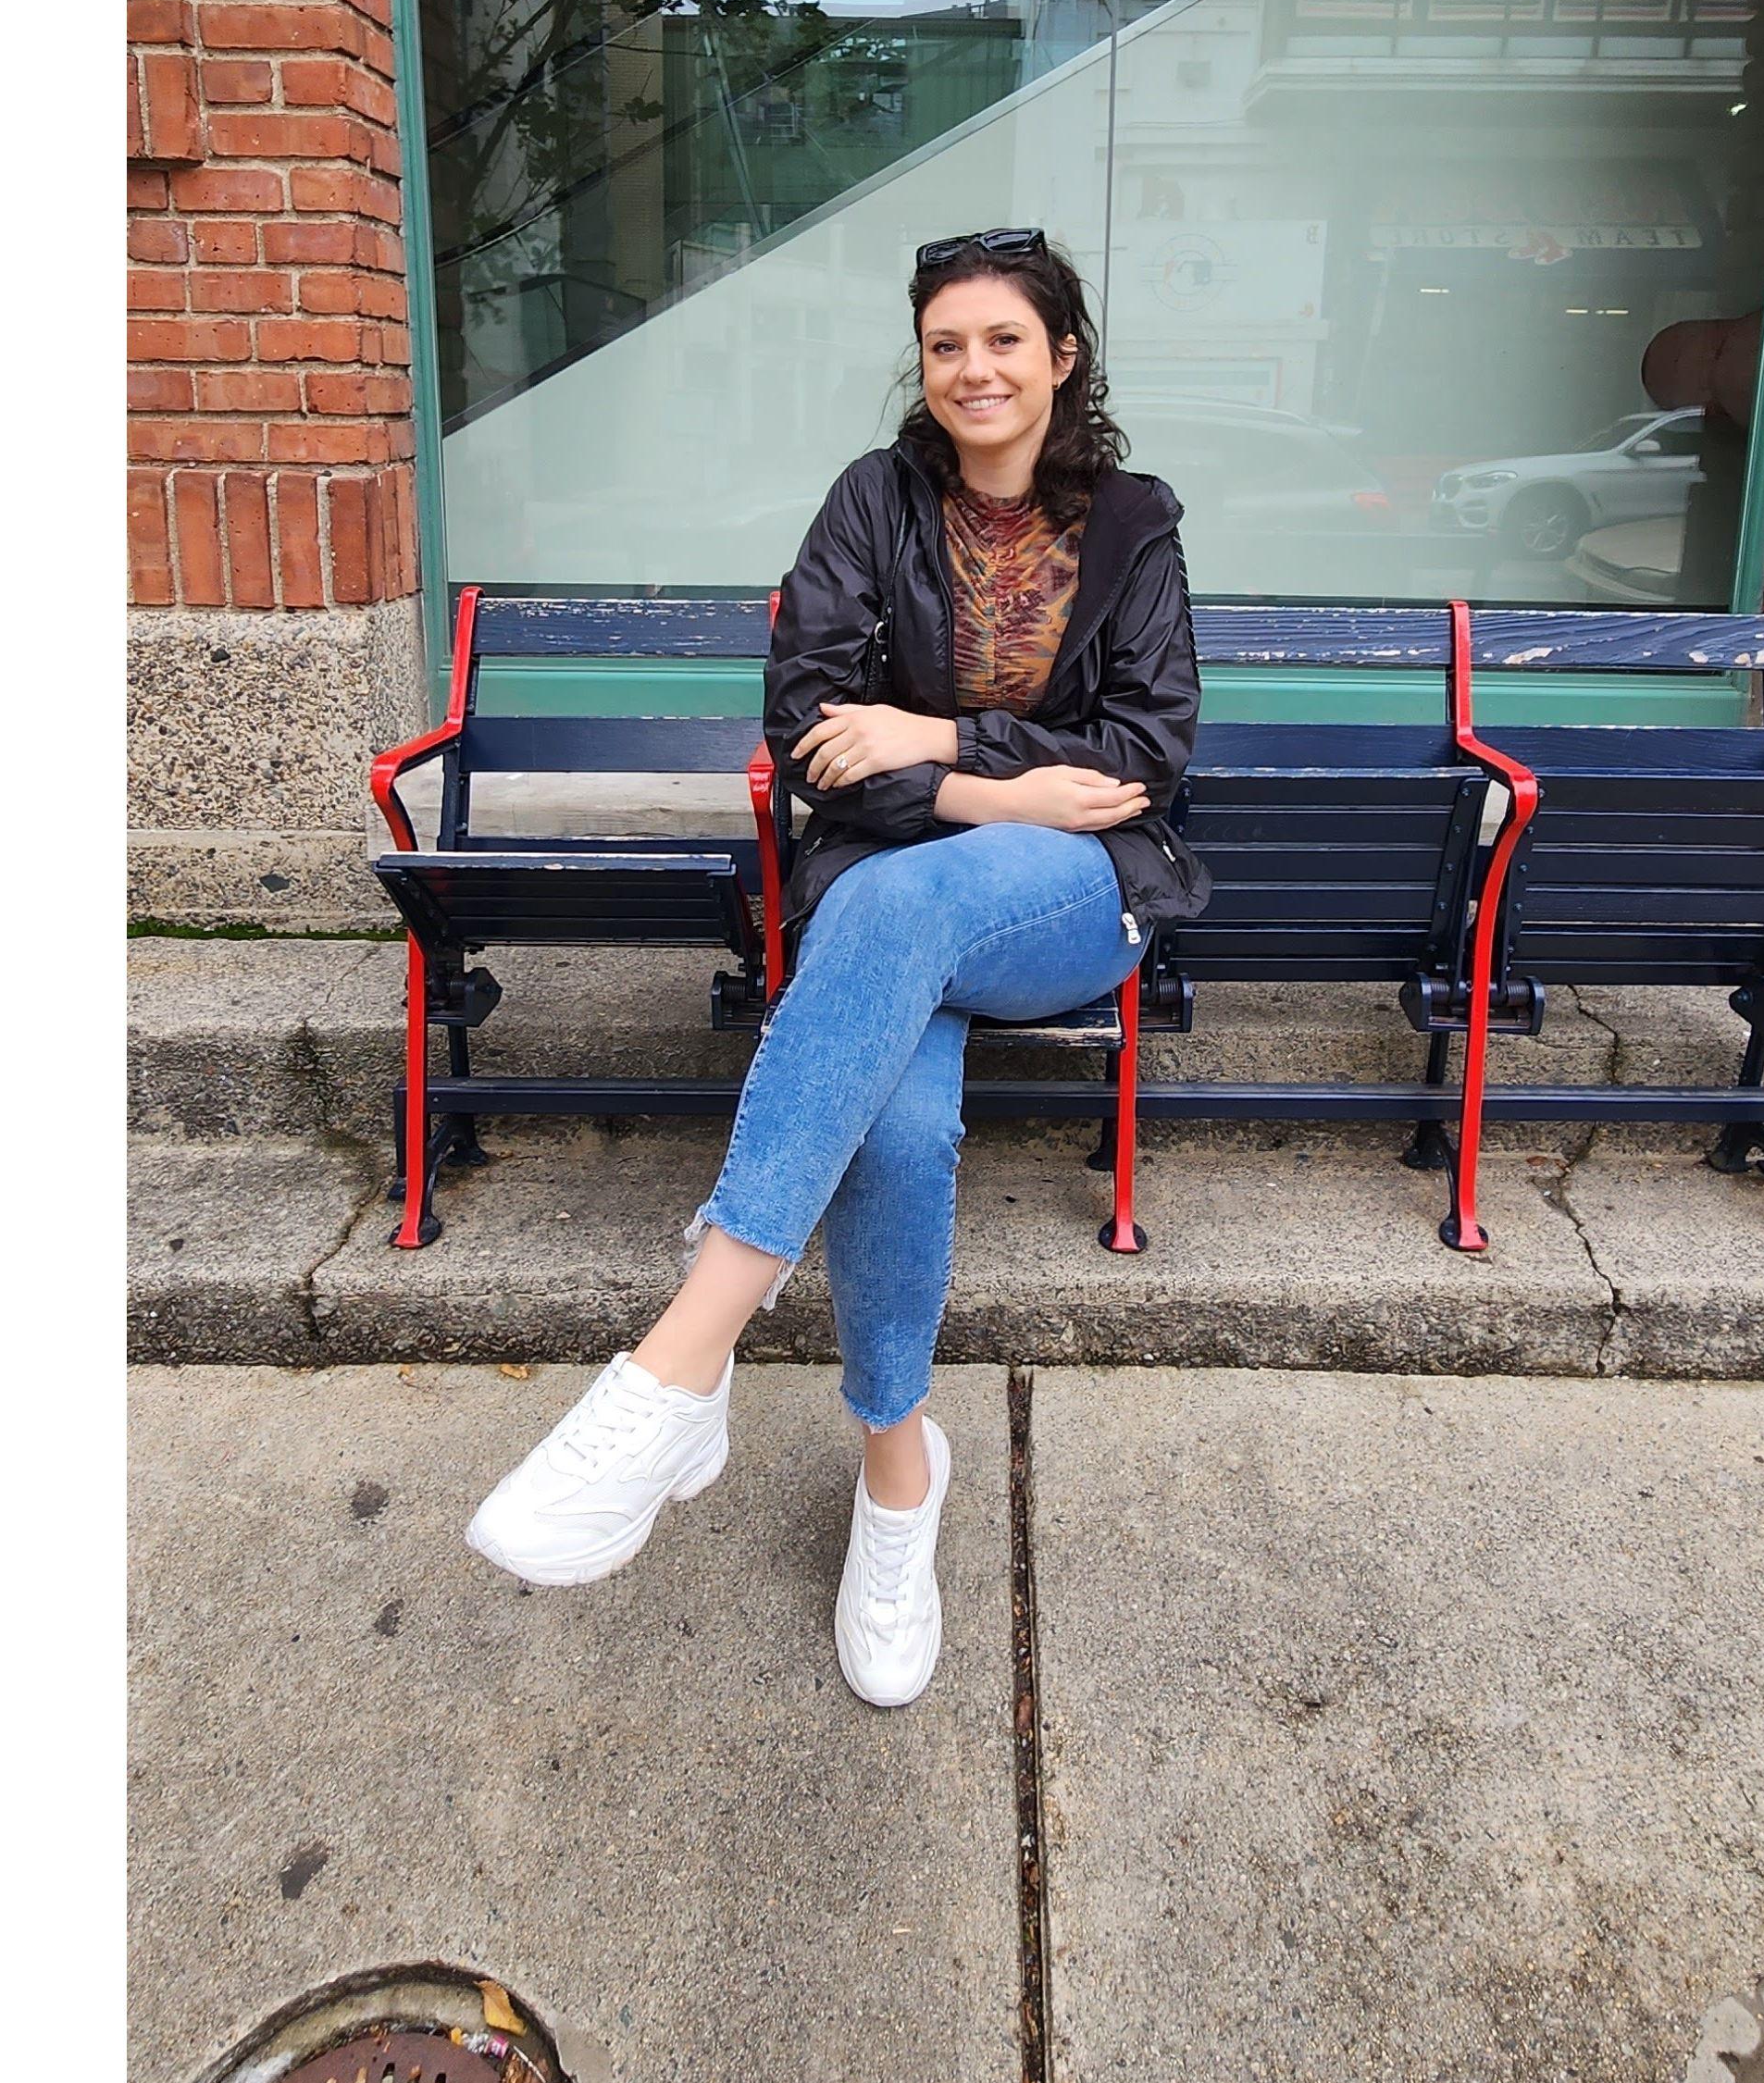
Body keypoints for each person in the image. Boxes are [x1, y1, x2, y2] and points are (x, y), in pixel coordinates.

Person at [464, 229, 1211, 1705]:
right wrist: (997, 791)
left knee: (885, 914)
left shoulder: (1133, 524)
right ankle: (896, 1482)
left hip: (1070, 899)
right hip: (907, 880)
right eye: (946, 346)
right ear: (921, 367)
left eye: (1005, 341)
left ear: (1063, 358)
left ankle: (678, 1370)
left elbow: (1143, 756)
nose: (974, 370)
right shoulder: (872, 505)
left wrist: (937, 741)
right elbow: (811, 726)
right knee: (907, 1114)